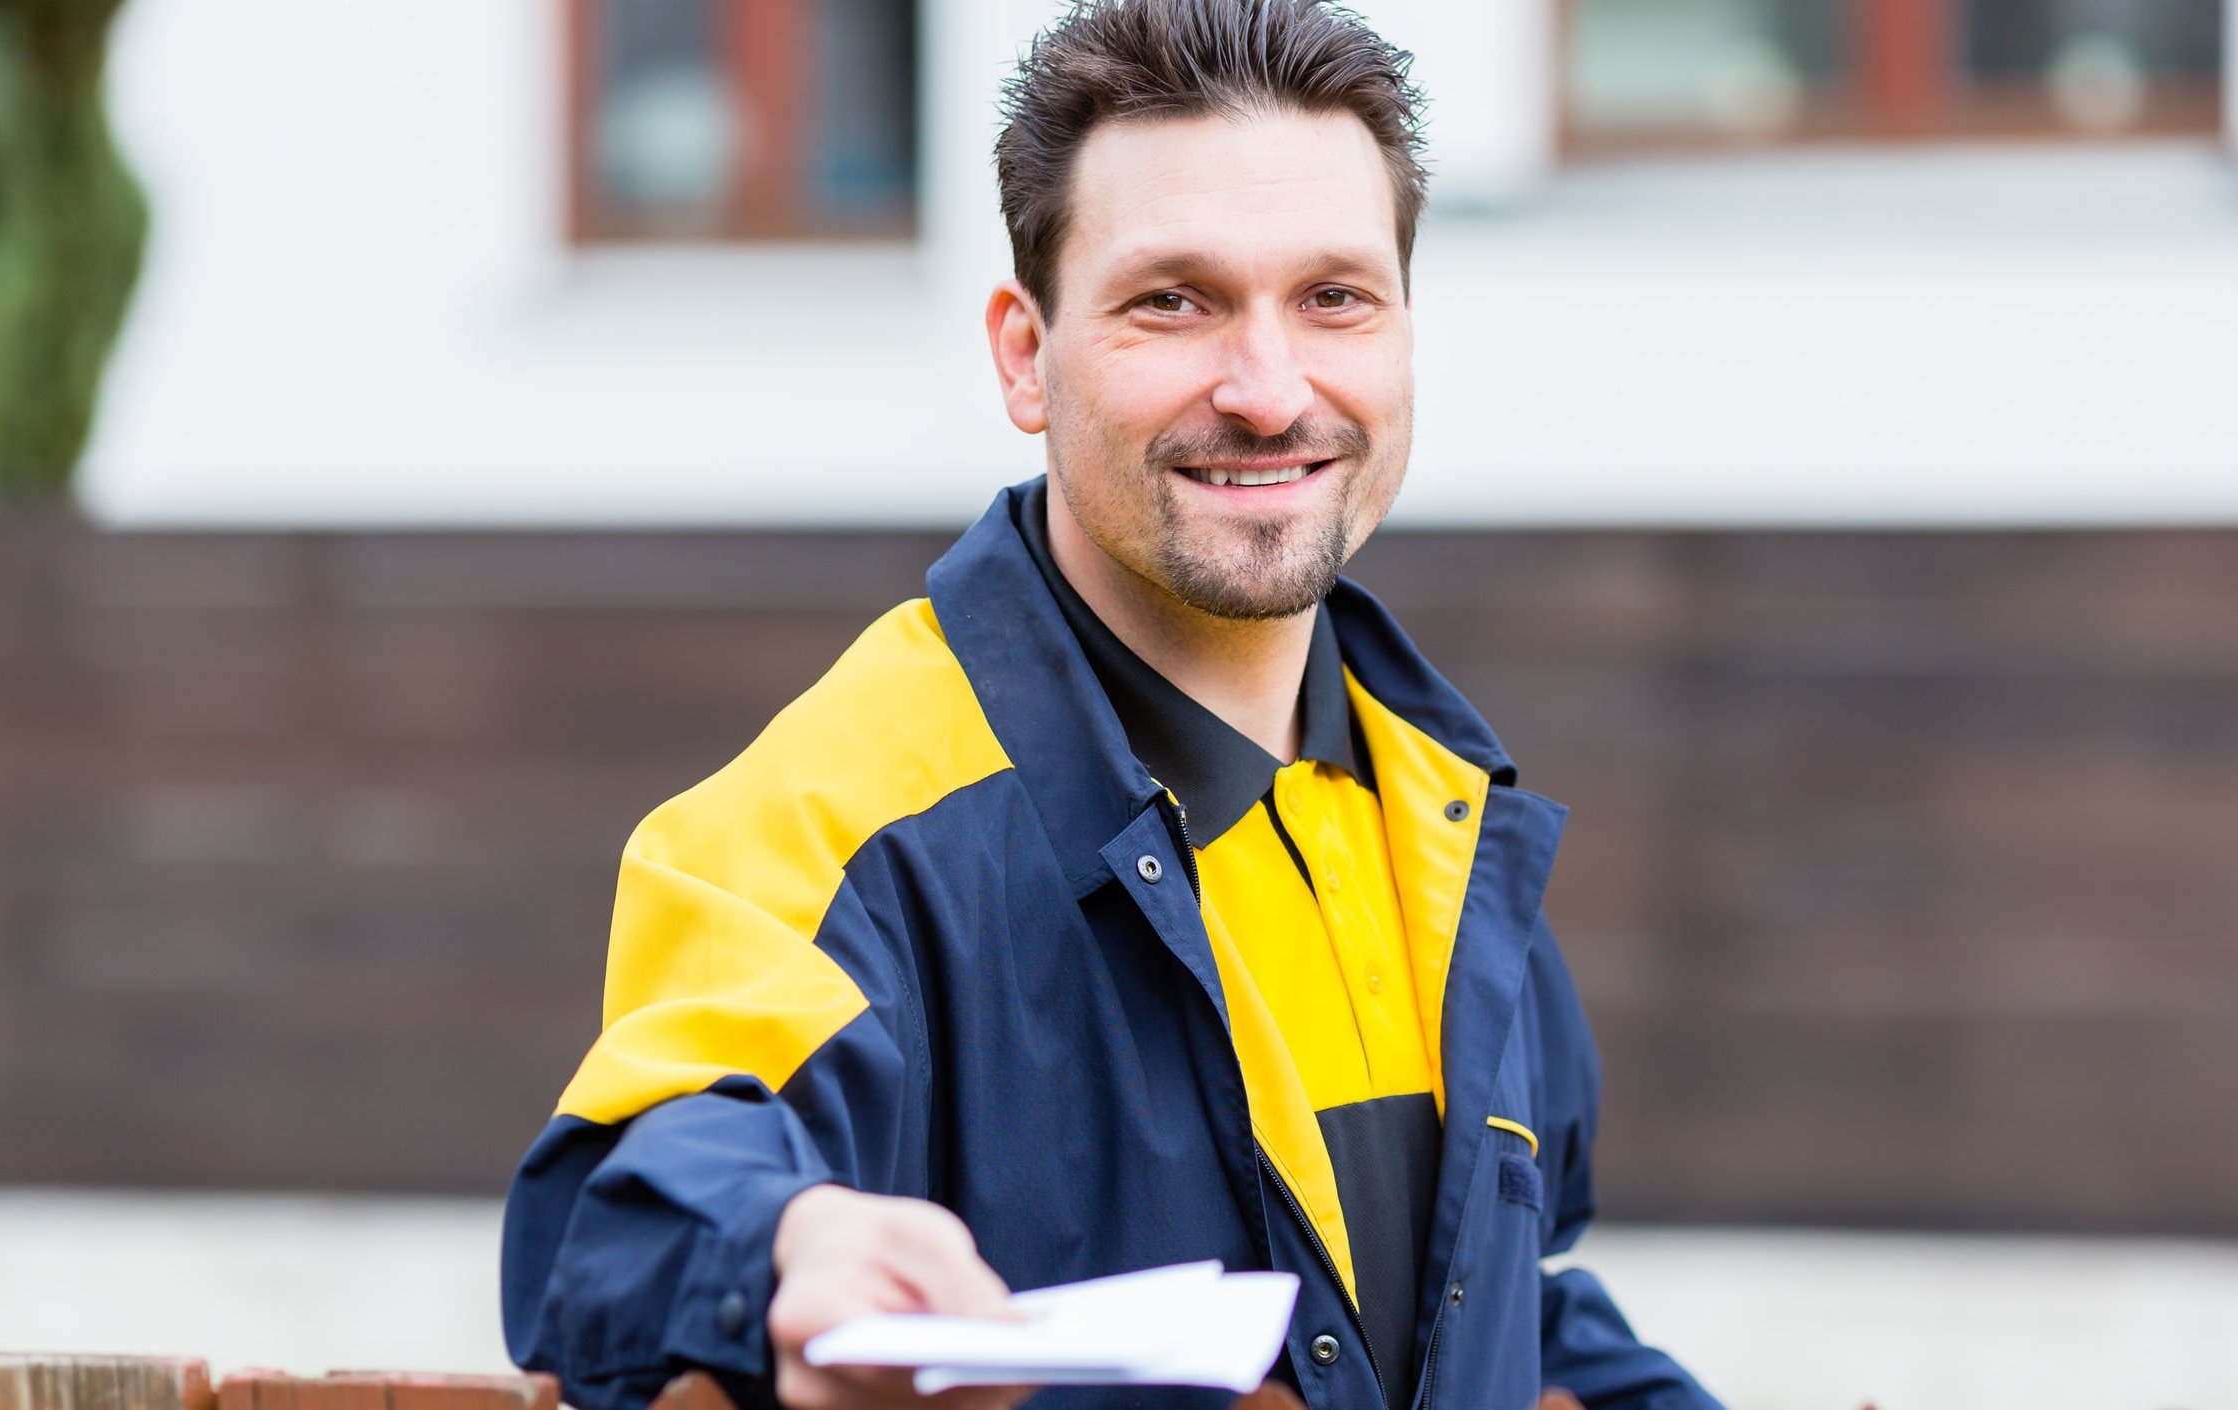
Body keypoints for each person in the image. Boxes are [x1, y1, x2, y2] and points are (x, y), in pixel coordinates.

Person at [500, 4, 1722, 1410]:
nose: (1270, 392)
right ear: (1026, 355)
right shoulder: (835, 814)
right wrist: (787, 1245)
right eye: (1174, 301)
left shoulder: (1447, 818)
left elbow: (1502, 1317)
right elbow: (616, 1208)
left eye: (1335, 297)